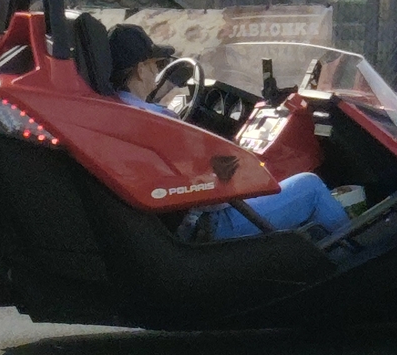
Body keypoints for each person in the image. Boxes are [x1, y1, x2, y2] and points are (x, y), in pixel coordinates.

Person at [104, 23, 352, 241]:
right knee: (311, 187)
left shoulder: (115, 112)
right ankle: (349, 260)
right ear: (139, 69)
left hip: (176, 223)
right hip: (207, 224)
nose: (157, 72)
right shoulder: (156, 120)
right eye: (155, 65)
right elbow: (207, 191)